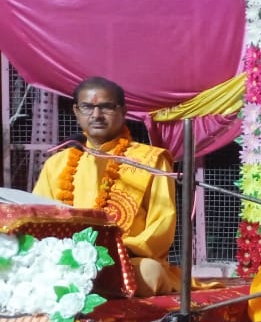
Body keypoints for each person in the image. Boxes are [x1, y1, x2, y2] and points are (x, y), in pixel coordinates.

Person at [33, 77, 179, 296]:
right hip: (66, 261)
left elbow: (162, 222)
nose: (96, 115)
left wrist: (113, 252)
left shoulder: (150, 160)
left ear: (123, 111)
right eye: (87, 107)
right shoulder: (57, 163)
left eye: (106, 107)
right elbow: (39, 218)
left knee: (150, 272)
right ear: (76, 111)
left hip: (125, 261)